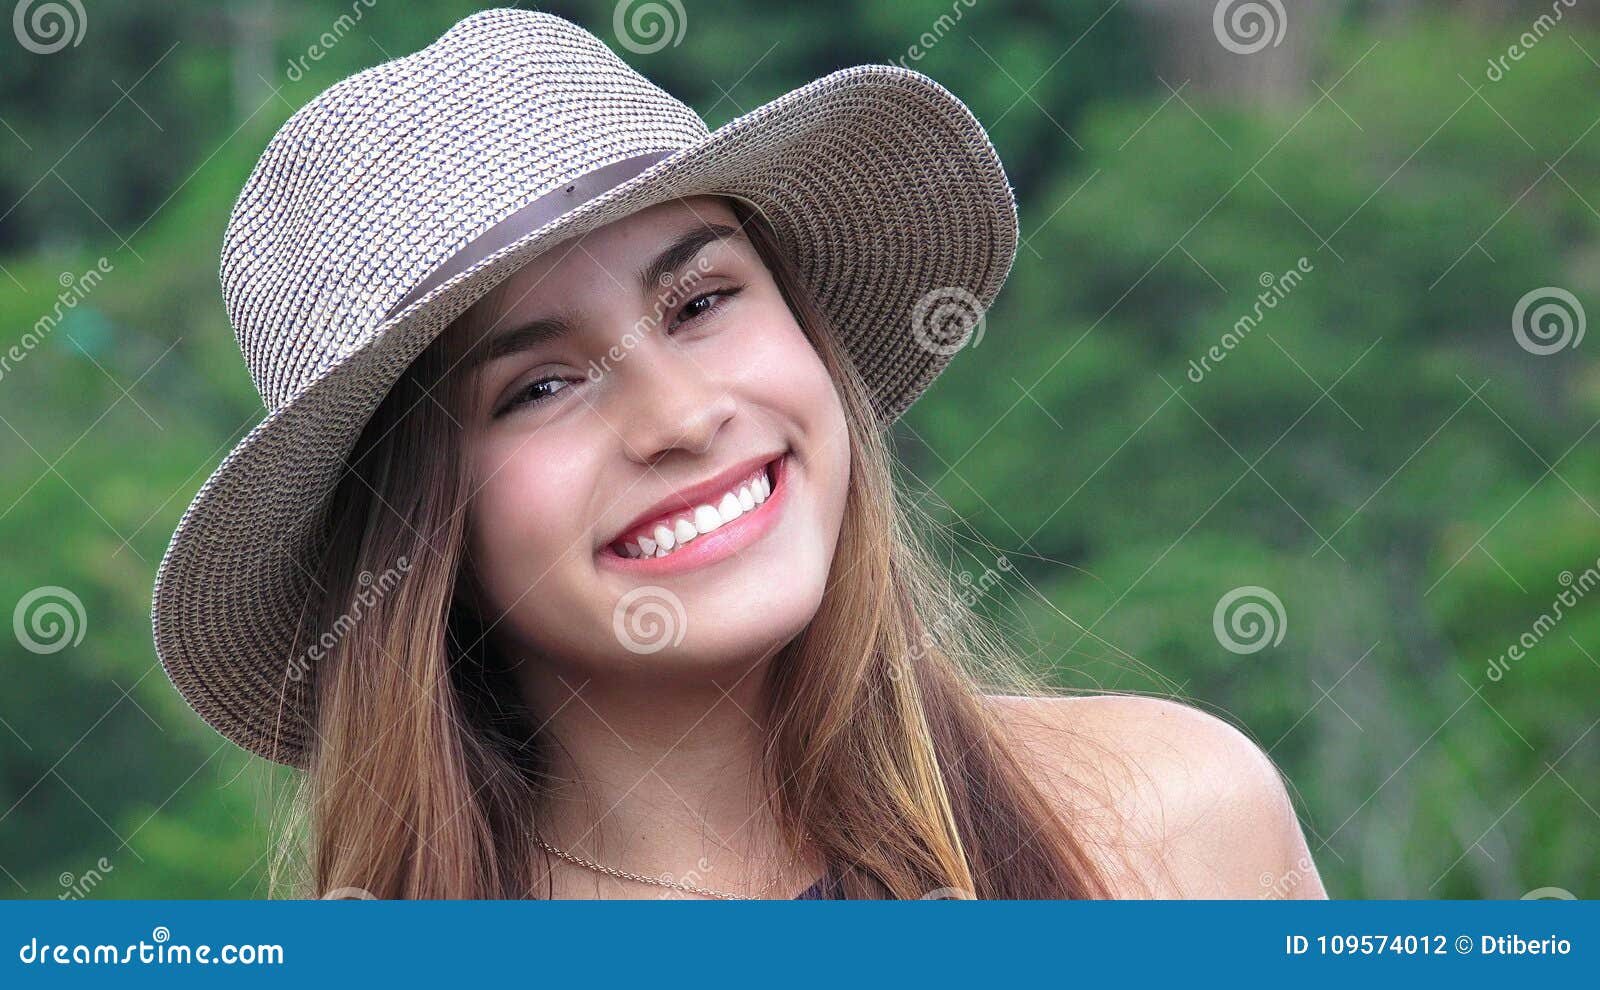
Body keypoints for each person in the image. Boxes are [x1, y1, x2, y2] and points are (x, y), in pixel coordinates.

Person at [151, 9, 1326, 901]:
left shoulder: (1169, 830)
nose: (678, 414)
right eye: (540, 386)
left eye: (702, 301)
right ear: (416, 534)